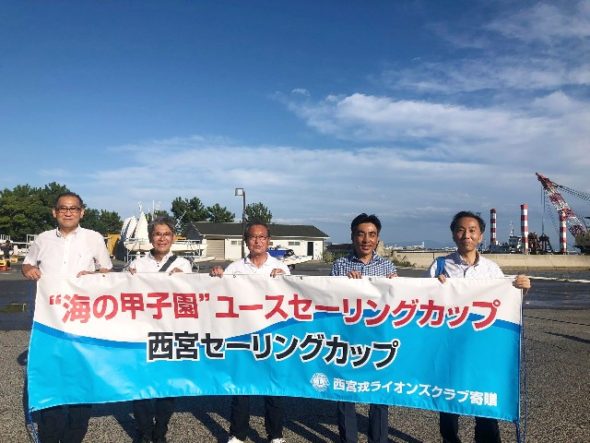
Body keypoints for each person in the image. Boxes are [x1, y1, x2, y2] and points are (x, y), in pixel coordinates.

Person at [427, 211, 531, 443]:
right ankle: (450, 438)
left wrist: (521, 290)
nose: (467, 235)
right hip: (450, 345)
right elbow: (423, 302)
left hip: (482, 345)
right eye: (461, 230)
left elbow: (505, 302)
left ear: (481, 236)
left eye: (472, 230)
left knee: (484, 400)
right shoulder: (440, 265)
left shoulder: (491, 269)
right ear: (453, 234)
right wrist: (434, 287)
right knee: (448, 399)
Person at [22, 191, 113, 443]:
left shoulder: (94, 238)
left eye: (74, 208)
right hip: (48, 320)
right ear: (55, 212)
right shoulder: (42, 239)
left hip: (83, 321)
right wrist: (28, 270)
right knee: (50, 377)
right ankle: (50, 433)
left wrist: (95, 276)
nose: (68, 212)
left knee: (80, 378)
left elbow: (107, 270)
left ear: (82, 212)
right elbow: (27, 263)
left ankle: (75, 434)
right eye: (63, 208)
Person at [210, 221, 289, 443]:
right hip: (243, 336)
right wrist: (216, 276)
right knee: (241, 387)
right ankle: (237, 433)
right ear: (246, 241)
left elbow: (292, 299)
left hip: (272, 336)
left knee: (273, 387)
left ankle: (276, 435)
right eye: (253, 237)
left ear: (269, 241)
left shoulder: (281, 268)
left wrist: (284, 279)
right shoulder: (235, 268)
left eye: (262, 237)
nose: (257, 241)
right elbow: (219, 293)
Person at [330, 213, 397, 443]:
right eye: (361, 234)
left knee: (379, 392)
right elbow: (329, 300)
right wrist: (345, 285)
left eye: (371, 235)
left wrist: (396, 285)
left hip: (379, 338)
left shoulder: (387, 266)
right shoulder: (340, 265)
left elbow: (396, 302)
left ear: (377, 238)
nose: (366, 240)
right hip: (348, 337)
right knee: (345, 391)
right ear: (352, 236)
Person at [127, 216, 192, 443]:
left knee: (167, 384)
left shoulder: (183, 264)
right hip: (142, 332)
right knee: (141, 383)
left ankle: (161, 428)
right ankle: (144, 430)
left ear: (173, 238)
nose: (162, 238)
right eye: (157, 234)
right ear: (151, 237)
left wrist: (185, 281)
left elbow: (195, 295)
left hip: (171, 331)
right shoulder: (137, 265)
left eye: (166, 234)